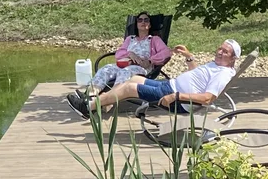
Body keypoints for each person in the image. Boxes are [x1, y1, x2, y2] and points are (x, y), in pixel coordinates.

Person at [68, 38, 240, 119]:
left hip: (176, 98)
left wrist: (176, 96)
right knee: (133, 78)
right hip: (169, 86)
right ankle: (97, 101)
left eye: (225, 52)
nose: (219, 52)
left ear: (233, 58)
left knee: (129, 88)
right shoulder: (217, 66)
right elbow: (196, 78)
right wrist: (189, 57)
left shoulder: (223, 74)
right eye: (219, 48)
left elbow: (207, 98)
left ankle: (88, 106)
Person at [75, 12, 171, 103]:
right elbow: (119, 54)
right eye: (140, 20)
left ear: (149, 25)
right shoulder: (130, 39)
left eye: (146, 20)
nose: (143, 22)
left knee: (125, 72)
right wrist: (130, 54)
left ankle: (108, 99)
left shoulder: (154, 39)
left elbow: (166, 53)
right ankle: (90, 95)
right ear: (136, 24)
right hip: (124, 64)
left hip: (141, 68)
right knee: (106, 68)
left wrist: (150, 60)